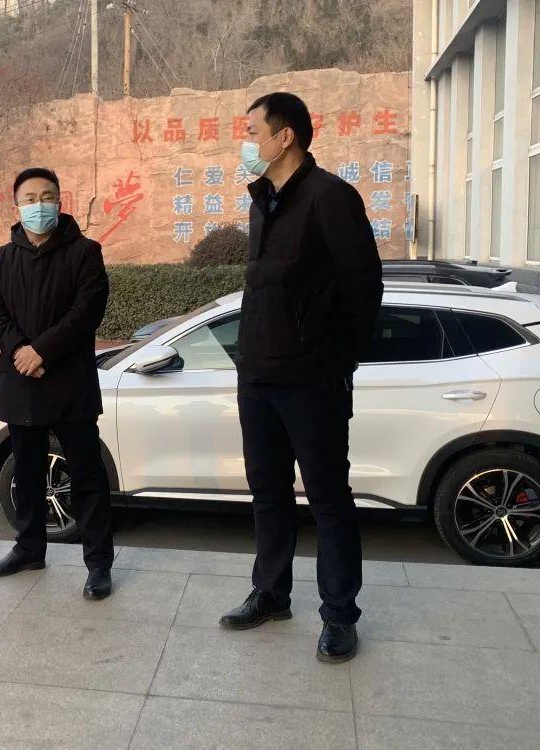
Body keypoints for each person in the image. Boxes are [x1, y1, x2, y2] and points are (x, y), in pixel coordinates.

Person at [219, 93, 383, 663]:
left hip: (312, 382)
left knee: (329, 499)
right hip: (258, 377)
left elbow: (363, 289)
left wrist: (334, 362)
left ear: (284, 136)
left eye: (252, 132)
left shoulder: (331, 197)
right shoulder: (262, 200)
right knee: (267, 493)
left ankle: (339, 615)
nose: (246, 144)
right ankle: (271, 593)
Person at [0, 167, 114, 600]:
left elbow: (87, 310)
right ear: (16, 205)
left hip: (70, 383)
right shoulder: (5, 256)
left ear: (59, 200)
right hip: (21, 382)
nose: (39, 205)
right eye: (30, 198)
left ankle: (98, 563)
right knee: (27, 472)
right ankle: (29, 549)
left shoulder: (85, 251)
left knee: (87, 475)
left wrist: (42, 351)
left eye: (47, 196)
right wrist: (20, 349)